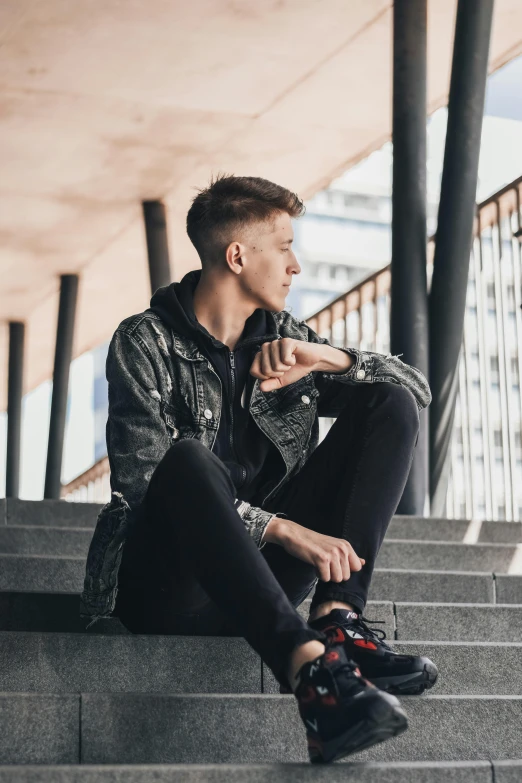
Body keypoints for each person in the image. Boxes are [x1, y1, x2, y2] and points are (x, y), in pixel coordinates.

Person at [81, 174, 437, 764]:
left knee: (387, 401)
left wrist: (327, 358)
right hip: (164, 586)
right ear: (238, 255)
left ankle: (336, 621)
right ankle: (311, 672)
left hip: (266, 582)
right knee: (188, 459)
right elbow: (143, 482)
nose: (295, 265)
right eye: (285, 246)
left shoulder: (286, 340)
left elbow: (415, 393)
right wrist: (282, 528)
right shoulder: (143, 342)